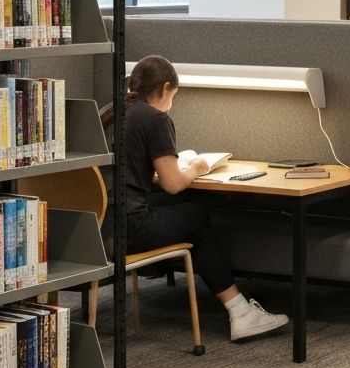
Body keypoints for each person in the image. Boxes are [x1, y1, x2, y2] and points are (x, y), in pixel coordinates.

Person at [123, 55, 290, 342]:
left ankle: (229, 305)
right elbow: (173, 183)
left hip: (95, 228)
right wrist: (197, 168)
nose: (171, 103)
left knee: (175, 207)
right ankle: (240, 313)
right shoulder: (155, 119)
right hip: (131, 228)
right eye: (172, 96)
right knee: (197, 214)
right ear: (165, 88)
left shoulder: (110, 112)